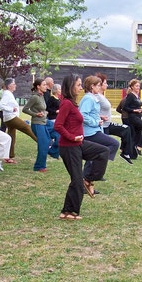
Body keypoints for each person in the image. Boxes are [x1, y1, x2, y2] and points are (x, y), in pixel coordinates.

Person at [54, 74, 109, 219]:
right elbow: (58, 126)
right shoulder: (66, 103)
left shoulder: (72, 103)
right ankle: (68, 212)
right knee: (76, 181)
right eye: (78, 85)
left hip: (79, 143)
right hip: (69, 146)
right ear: (71, 86)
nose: (80, 88)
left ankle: (89, 179)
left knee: (103, 151)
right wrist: (72, 137)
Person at [79, 76, 120, 187]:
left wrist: (99, 118)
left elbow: (90, 113)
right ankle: (89, 177)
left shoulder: (92, 97)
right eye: (98, 85)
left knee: (97, 154)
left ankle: (87, 179)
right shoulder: (89, 98)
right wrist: (96, 122)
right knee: (113, 144)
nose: (100, 87)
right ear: (92, 86)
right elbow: (82, 115)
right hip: (90, 132)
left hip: (95, 130)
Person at [96, 73, 134, 164]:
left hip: (108, 124)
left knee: (126, 129)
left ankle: (125, 153)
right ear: (99, 84)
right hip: (102, 126)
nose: (107, 85)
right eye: (105, 83)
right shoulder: (96, 97)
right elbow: (92, 111)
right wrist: (100, 117)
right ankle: (92, 171)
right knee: (102, 150)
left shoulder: (102, 96)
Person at [0, 78, 38, 162]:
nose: (15, 85)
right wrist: (11, 109)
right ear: (9, 86)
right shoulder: (7, 94)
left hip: (9, 118)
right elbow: (1, 105)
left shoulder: (8, 94)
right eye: (14, 84)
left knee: (11, 137)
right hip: (10, 118)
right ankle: (43, 143)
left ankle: (9, 156)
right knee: (27, 128)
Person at [22, 78, 55, 172]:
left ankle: (53, 152)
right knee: (43, 144)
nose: (46, 86)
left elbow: (41, 108)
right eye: (44, 85)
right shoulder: (35, 97)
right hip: (37, 124)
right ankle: (39, 166)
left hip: (44, 121)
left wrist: (45, 112)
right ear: (38, 86)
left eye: (46, 84)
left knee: (52, 136)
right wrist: (35, 114)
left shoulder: (42, 96)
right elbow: (25, 109)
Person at [123, 79, 142, 156]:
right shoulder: (130, 95)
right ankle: (139, 146)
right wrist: (134, 110)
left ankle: (132, 153)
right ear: (132, 87)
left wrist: (140, 110)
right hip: (133, 117)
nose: (138, 87)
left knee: (137, 135)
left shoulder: (137, 96)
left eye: (139, 86)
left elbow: (137, 106)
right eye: (136, 86)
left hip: (138, 117)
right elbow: (125, 107)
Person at [45, 84, 61, 160]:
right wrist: (56, 111)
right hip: (52, 119)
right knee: (57, 136)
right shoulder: (51, 99)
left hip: (58, 119)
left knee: (58, 136)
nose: (61, 91)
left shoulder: (59, 99)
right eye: (59, 89)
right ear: (55, 90)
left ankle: (54, 151)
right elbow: (48, 109)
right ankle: (52, 150)